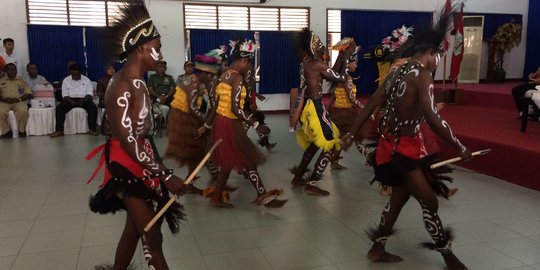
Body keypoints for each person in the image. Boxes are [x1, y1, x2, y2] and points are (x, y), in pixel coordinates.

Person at [342, 3, 471, 269]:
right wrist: (460, 147)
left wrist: (350, 135)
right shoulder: (422, 76)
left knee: (399, 199)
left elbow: (370, 105)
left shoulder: (396, 71)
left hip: (389, 147)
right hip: (405, 152)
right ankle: (448, 256)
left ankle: (377, 248)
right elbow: (434, 120)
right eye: (438, 57)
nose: (437, 62)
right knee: (430, 200)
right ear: (431, 53)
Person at [85, 0, 187, 269]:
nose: (161, 54)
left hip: (142, 159)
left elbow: (142, 137)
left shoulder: (140, 82)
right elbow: (128, 139)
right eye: (157, 48)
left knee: (134, 230)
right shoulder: (122, 85)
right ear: (142, 48)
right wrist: (164, 174)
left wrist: (161, 170)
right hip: (124, 164)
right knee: (152, 235)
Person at [197, 38, 287, 208]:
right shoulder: (237, 77)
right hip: (229, 124)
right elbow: (236, 108)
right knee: (246, 160)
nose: (248, 68)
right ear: (244, 61)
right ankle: (262, 195)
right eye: (248, 64)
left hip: (221, 123)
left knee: (228, 164)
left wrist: (207, 126)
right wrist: (256, 125)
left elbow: (216, 105)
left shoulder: (225, 75)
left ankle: (218, 198)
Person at [289, 28, 354, 196]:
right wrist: (345, 57)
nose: (321, 47)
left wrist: (341, 55)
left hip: (309, 108)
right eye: (318, 44)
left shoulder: (308, 62)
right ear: (311, 47)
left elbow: (331, 72)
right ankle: (312, 183)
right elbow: (340, 77)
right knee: (331, 144)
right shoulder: (316, 64)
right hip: (315, 108)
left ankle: (298, 176)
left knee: (315, 144)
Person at [164, 47, 224, 195]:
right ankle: (209, 176)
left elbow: (211, 101)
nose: (211, 78)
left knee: (197, 151)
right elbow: (192, 107)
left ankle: (201, 179)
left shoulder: (202, 82)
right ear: (203, 73)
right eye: (210, 75)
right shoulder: (192, 82)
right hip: (182, 118)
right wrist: (206, 124)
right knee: (195, 151)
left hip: (191, 116)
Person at [327, 43, 370, 170]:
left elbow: (334, 95)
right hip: (345, 113)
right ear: (348, 64)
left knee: (342, 139)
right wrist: (365, 109)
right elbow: (352, 99)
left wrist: (328, 109)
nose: (356, 65)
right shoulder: (347, 79)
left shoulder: (340, 78)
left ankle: (332, 160)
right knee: (356, 139)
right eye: (355, 63)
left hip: (338, 113)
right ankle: (372, 160)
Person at [50, 63, 98, 137]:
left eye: (77, 74)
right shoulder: (66, 80)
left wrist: (83, 101)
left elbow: (89, 93)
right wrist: (71, 101)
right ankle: (59, 130)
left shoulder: (86, 80)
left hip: (84, 99)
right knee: (60, 108)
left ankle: (92, 129)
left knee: (93, 108)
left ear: (80, 72)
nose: (75, 76)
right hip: (70, 99)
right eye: (73, 75)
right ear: (70, 73)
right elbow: (65, 94)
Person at [0, 63, 32, 138]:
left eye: (14, 69)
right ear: (6, 71)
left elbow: (28, 93)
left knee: (23, 111)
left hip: (18, 101)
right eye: (10, 69)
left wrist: (19, 99)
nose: (12, 71)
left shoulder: (21, 80)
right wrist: (4, 99)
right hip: (4, 102)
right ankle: (6, 132)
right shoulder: (1, 80)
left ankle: (22, 131)